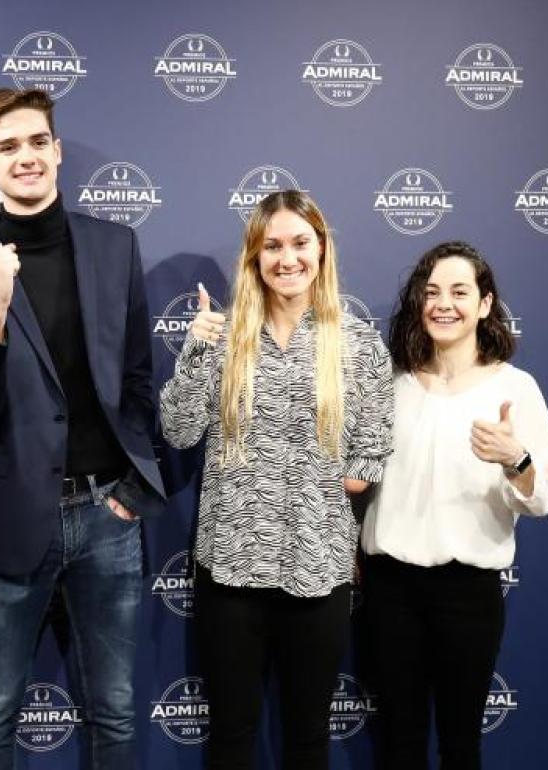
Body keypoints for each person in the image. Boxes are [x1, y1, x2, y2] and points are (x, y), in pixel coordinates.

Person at [0, 88, 166, 770]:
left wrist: (128, 492)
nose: (25, 157)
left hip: (108, 518)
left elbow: (140, 379)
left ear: (57, 152)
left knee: (116, 712)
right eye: (8, 148)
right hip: (7, 520)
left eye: (36, 142)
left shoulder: (115, 245)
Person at [160, 190, 393, 769]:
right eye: (273, 247)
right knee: (233, 735)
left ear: (321, 250)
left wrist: (313, 489)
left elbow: (373, 453)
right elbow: (180, 431)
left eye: (299, 243)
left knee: (308, 737)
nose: (287, 259)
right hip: (232, 572)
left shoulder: (360, 344)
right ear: (254, 258)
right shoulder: (224, 339)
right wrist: (195, 351)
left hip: (318, 571)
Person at [361, 241, 548, 770]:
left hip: (468, 594)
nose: (442, 304)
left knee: (460, 744)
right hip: (390, 588)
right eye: (431, 293)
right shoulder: (391, 384)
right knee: (398, 744)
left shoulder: (516, 389)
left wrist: (515, 458)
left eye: (458, 291)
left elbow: (541, 499)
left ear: (485, 304)